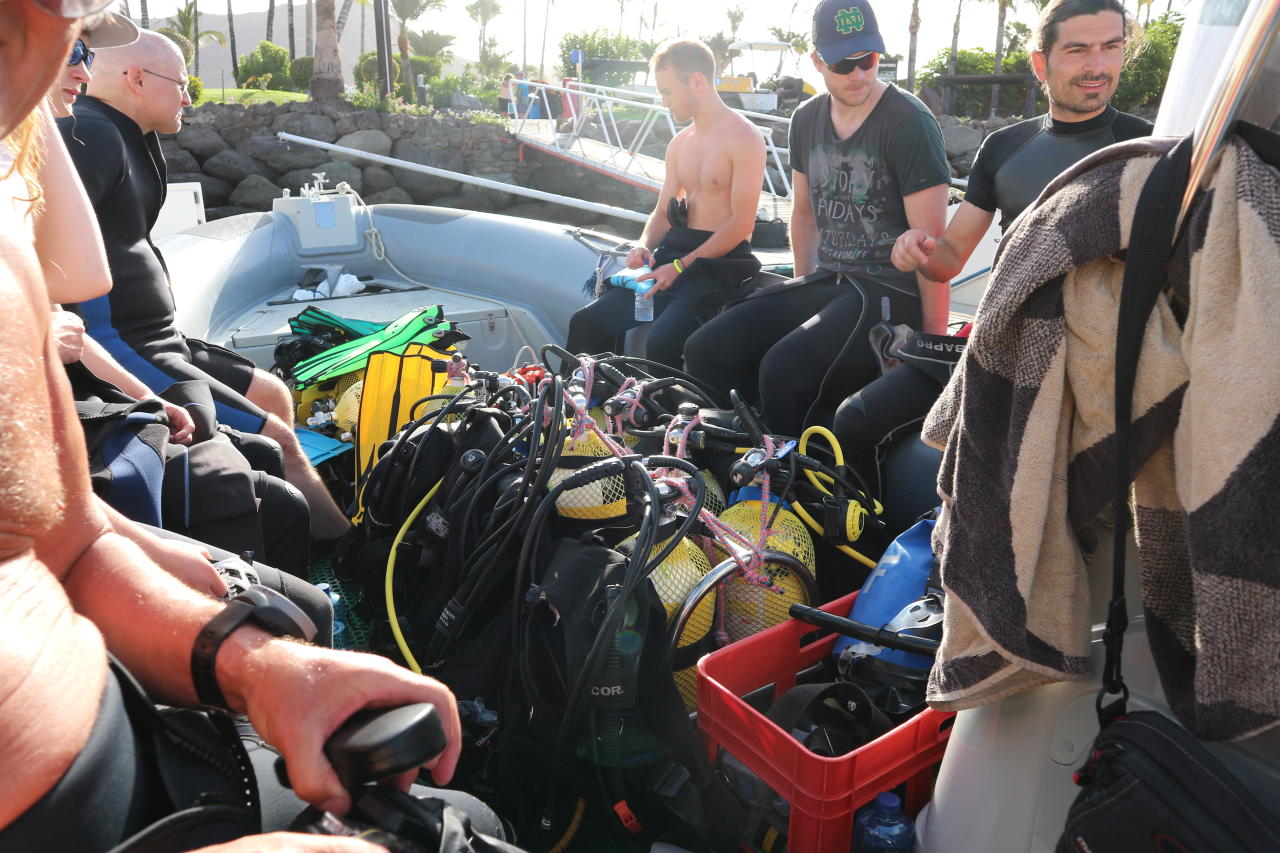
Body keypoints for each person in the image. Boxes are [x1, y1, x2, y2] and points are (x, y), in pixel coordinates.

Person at [0, 2, 489, 848]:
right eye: (63, 27)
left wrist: (260, 665)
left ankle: (352, 552)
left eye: (77, 25)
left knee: (463, 809)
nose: (62, 54)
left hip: (131, 735)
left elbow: (70, 544)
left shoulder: (11, 260)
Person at [58, 30, 351, 541]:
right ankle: (349, 554)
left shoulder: (132, 135)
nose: (190, 99)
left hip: (159, 335)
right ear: (137, 78)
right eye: (183, 83)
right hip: (121, 341)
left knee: (272, 392)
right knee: (278, 438)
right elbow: (41, 232)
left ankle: (312, 525)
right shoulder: (92, 134)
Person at [683, 0, 950, 438]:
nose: (859, 73)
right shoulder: (806, 119)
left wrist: (928, 347)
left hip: (889, 290)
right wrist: (800, 290)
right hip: (831, 280)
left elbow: (934, 251)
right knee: (707, 347)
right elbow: (804, 216)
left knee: (782, 369)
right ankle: (738, 462)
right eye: (844, 63)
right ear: (816, 61)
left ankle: (794, 494)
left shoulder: (909, 124)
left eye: (868, 59)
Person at [890, 0, 1152, 281]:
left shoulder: (1151, 146)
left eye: (1111, 47)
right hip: (1020, 318)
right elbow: (951, 257)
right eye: (1078, 50)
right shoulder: (1002, 147)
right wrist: (919, 251)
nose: (1098, 66)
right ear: (1040, 63)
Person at [565, 38, 765, 370]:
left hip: (719, 265)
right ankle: (583, 411)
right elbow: (662, 214)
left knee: (662, 342)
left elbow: (742, 224)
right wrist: (643, 246)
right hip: (674, 255)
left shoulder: (745, 138)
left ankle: (674, 421)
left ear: (697, 82)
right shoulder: (679, 144)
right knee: (585, 322)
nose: (663, 101)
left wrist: (680, 267)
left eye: (667, 91)